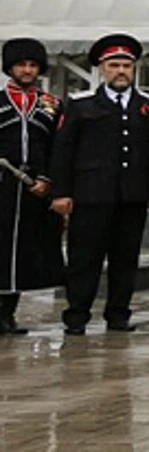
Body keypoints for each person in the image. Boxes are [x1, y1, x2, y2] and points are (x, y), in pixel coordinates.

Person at [48, 34, 149, 334]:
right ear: (101, 69)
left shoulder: (147, 106)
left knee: (125, 260)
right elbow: (63, 152)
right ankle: (77, 315)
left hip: (131, 196)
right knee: (84, 259)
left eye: (127, 65)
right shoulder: (81, 105)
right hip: (91, 196)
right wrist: (61, 192)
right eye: (114, 65)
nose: (121, 71)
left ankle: (118, 314)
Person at [0, 38, 62, 334]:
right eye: (21, 64)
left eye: (32, 65)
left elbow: (59, 148)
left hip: (34, 188)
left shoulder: (52, 106)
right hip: (2, 187)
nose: (27, 70)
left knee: (25, 251)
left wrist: (47, 180)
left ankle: (8, 313)